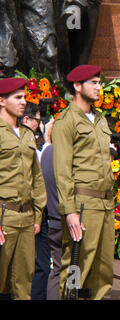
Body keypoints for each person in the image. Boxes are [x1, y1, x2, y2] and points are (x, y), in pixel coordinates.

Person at [52, 64, 115, 299]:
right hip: (83, 204)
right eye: (93, 83)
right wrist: (69, 211)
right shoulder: (66, 121)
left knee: (102, 270)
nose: (99, 87)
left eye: (100, 83)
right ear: (77, 86)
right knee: (77, 267)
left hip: (106, 204)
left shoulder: (99, 119)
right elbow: (62, 171)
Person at [0, 77, 47, 299]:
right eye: (17, 97)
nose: (23, 102)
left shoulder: (28, 134)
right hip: (3, 217)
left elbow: (37, 178)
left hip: (27, 218)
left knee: (23, 282)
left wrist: (37, 216)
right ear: (1, 100)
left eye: (24, 97)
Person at [19, 102, 51, 300]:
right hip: (25, 211)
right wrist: (47, 140)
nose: (40, 126)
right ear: (27, 120)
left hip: (33, 212)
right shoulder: (25, 140)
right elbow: (40, 171)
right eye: (38, 121)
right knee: (39, 266)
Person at [38, 119, 61, 300]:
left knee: (58, 270)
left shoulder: (45, 154)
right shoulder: (60, 155)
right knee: (75, 269)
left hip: (52, 219)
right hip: (66, 220)